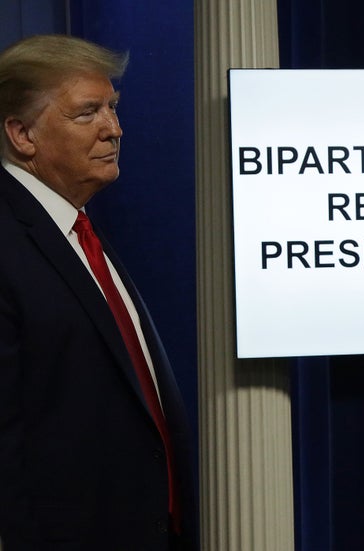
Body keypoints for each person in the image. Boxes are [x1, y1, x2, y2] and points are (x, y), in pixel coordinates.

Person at [0, 34, 198, 550]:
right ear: (22, 134)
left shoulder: (76, 228)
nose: (114, 128)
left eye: (112, 107)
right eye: (88, 112)